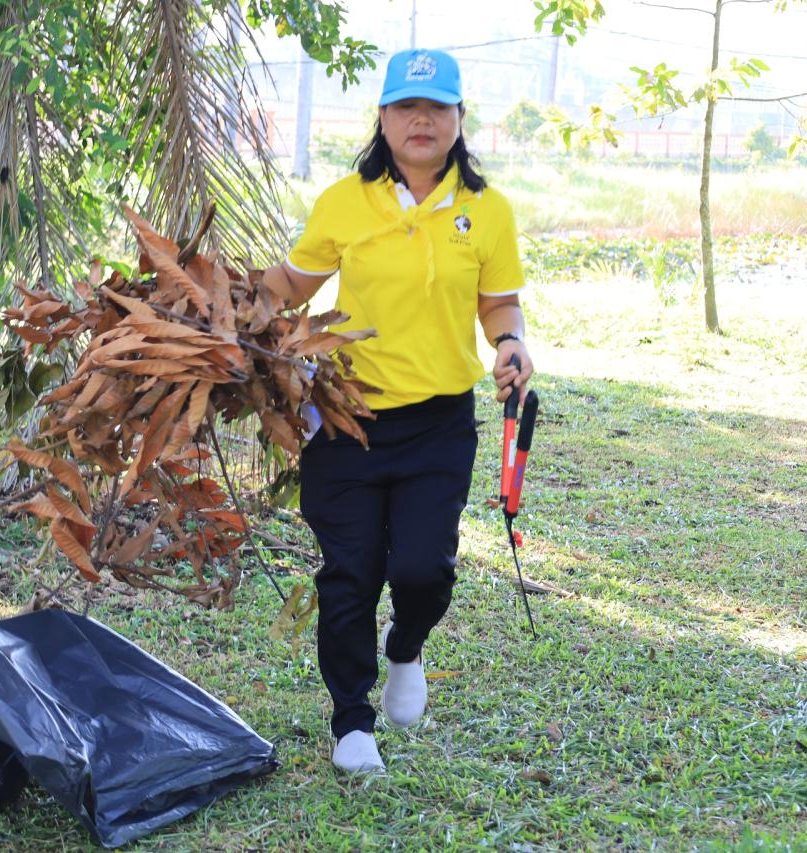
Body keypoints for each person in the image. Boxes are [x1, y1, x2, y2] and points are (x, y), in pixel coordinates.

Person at [260, 47, 534, 773]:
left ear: (458, 120)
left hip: (439, 423)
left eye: (436, 108)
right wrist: (215, 312)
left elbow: (499, 302)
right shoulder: (346, 201)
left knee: (424, 572)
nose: (422, 120)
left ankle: (405, 646)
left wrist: (510, 343)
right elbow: (290, 282)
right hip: (344, 418)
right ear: (382, 118)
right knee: (348, 572)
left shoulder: (488, 210)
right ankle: (352, 721)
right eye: (407, 108)